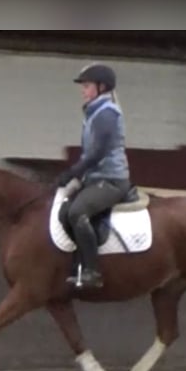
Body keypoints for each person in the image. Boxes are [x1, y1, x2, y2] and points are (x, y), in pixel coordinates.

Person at [56, 63, 131, 289]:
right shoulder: (93, 112)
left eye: (87, 86)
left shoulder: (107, 113)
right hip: (95, 178)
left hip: (112, 180)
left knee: (78, 212)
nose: (83, 90)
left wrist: (72, 173)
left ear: (101, 87)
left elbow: (98, 152)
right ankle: (79, 263)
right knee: (64, 212)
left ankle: (93, 272)